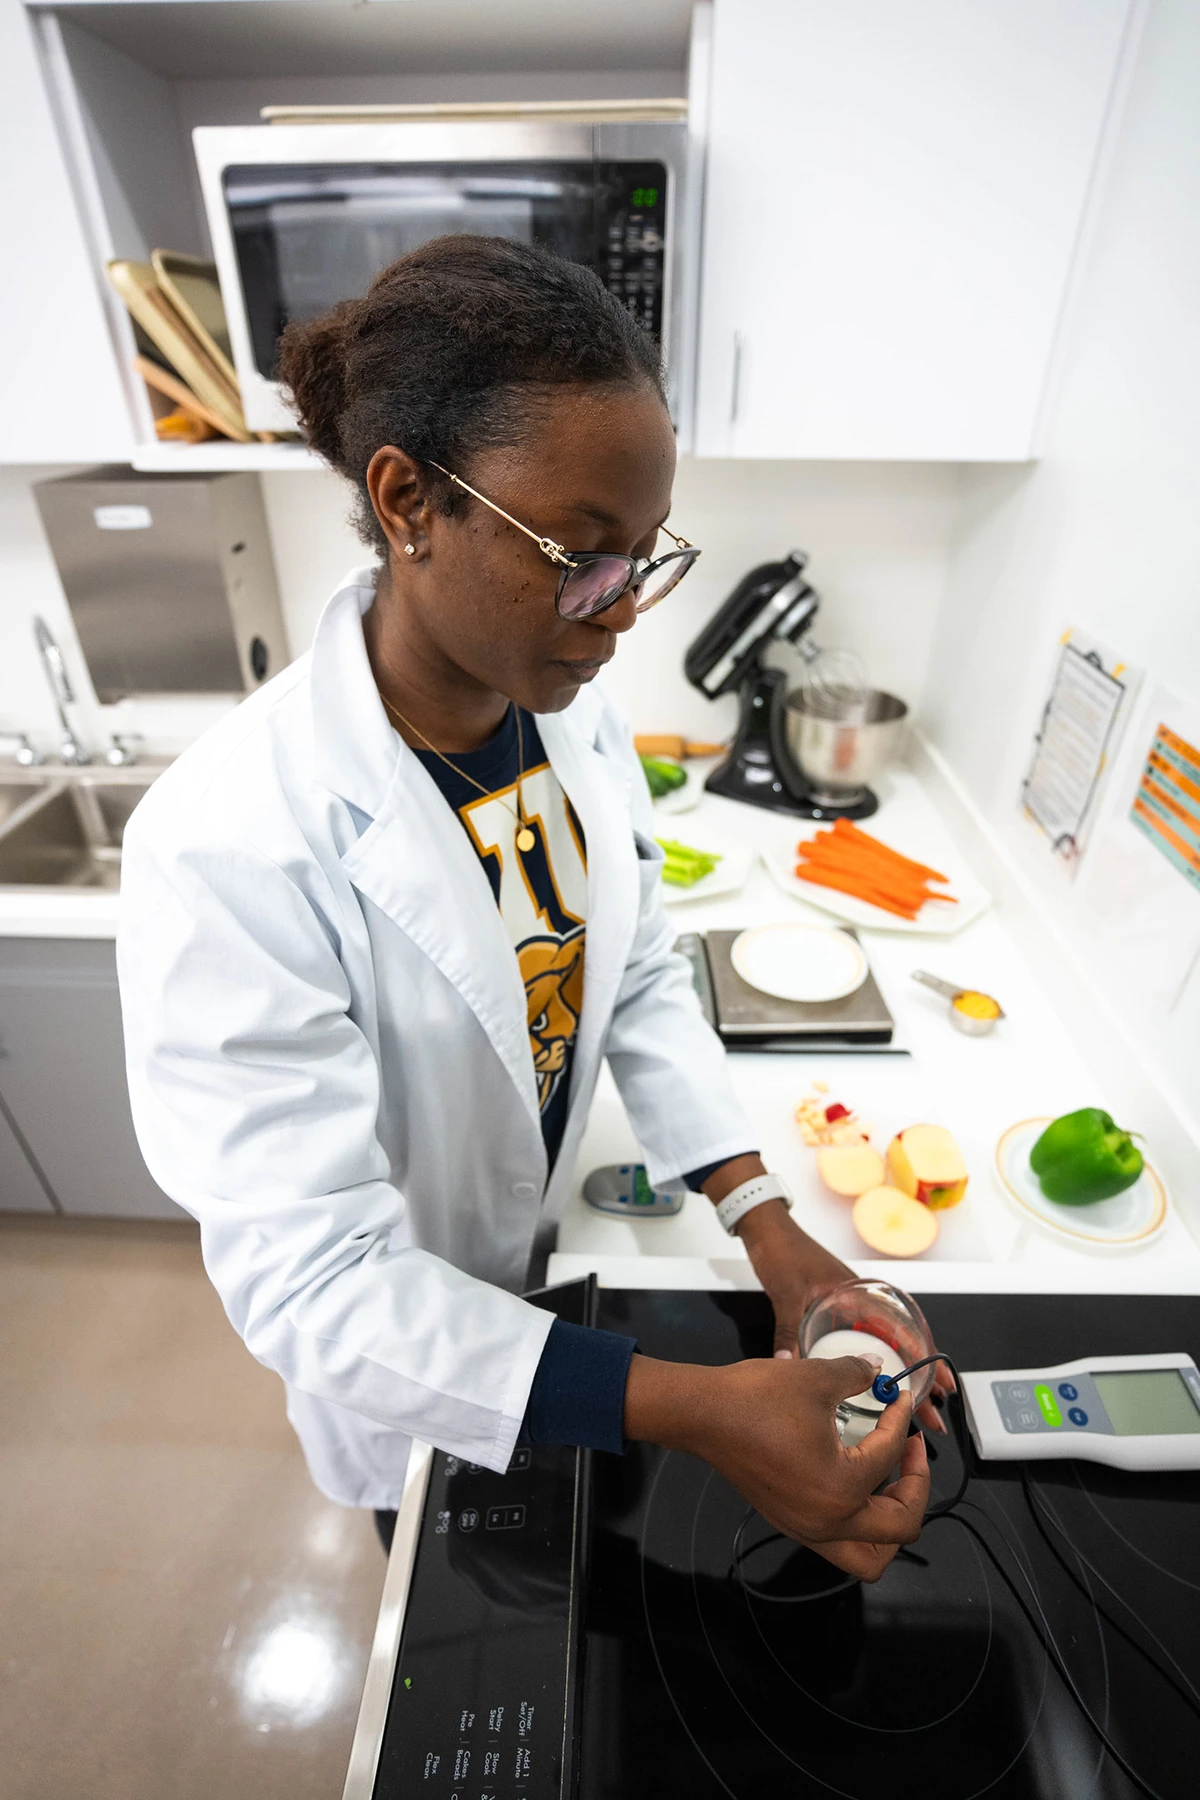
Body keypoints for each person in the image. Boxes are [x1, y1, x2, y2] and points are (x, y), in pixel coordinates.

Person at [117, 236, 932, 1582]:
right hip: (404, 1353)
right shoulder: (229, 845)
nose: (616, 615)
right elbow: (316, 1285)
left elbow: (642, 970)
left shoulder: (569, 714)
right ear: (406, 501)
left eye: (643, 560)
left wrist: (765, 1224)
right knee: (464, 1570)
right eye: (580, 554)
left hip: (553, 1270)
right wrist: (696, 1407)